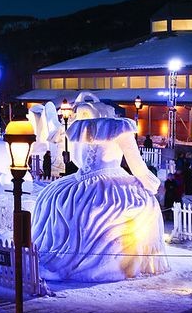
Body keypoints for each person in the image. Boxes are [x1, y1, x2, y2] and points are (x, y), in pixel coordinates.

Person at [31, 96, 167, 280]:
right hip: (109, 178)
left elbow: (76, 160)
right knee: (138, 207)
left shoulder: (80, 128)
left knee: (56, 200)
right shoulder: (120, 128)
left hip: (82, 179)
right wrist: (149, 183)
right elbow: (136, 163)